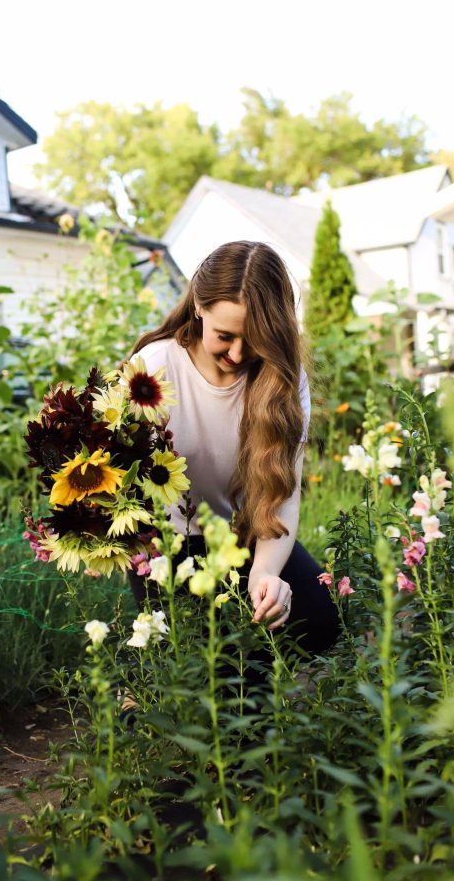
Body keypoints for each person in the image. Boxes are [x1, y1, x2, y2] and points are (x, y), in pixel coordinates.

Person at [127, 240, 340, 657]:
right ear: (198, 308)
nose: (239, 354)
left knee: (317, 620)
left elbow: (283, 491)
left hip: (244, 531)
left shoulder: (282, 377)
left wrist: (265, 572)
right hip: (165, 542)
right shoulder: (153, 369)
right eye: (225, 336)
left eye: (255, 339)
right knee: (200, 663)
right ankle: (134, 688)